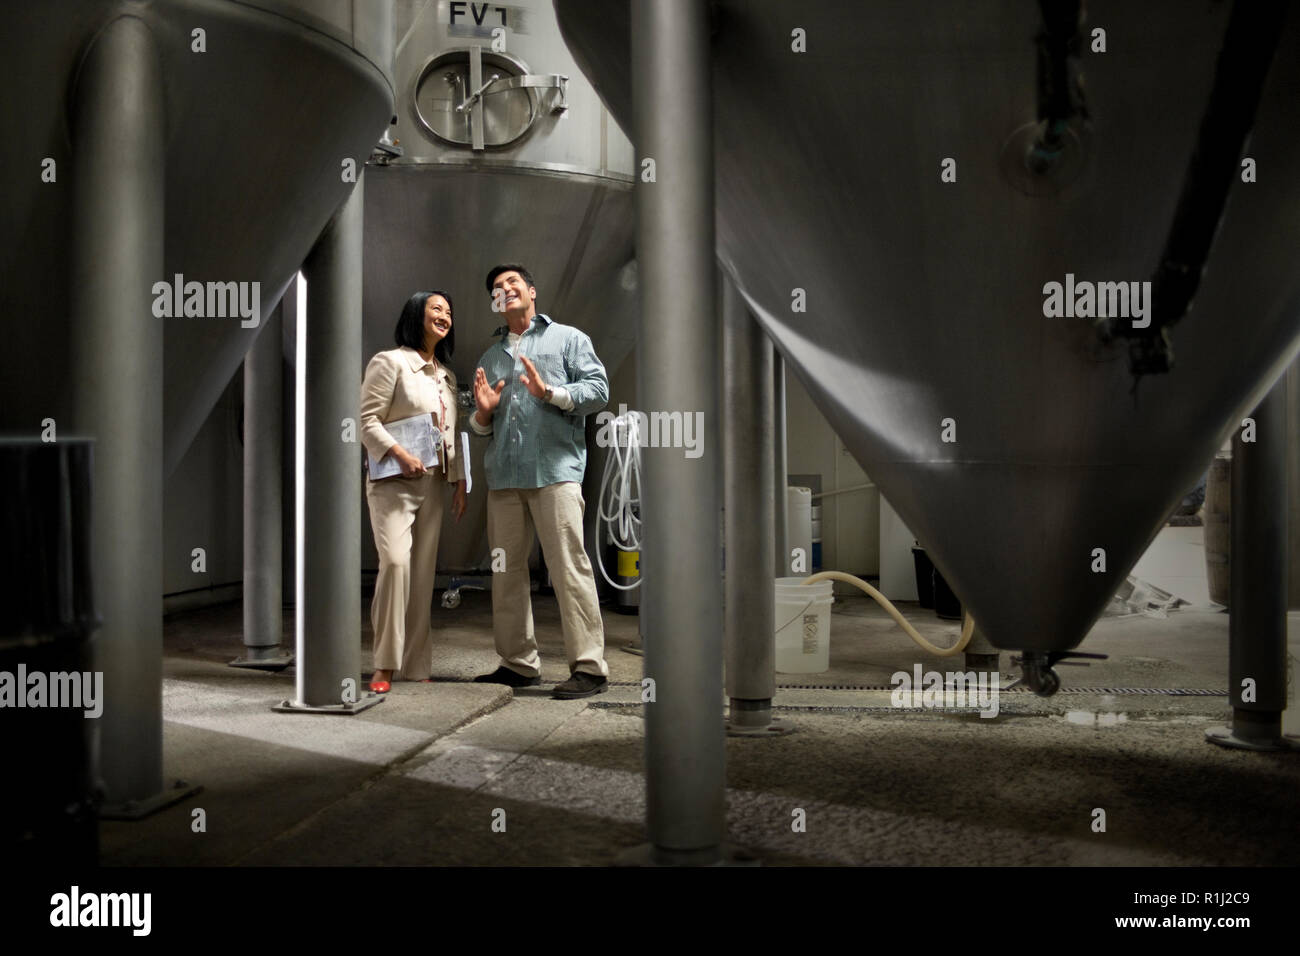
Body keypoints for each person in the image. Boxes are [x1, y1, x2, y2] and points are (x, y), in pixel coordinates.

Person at [469, 264, 611, 699]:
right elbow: (480, 428)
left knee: (569, 568)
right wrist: (483, 413)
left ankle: (590, 667)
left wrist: (549, 392)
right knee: (505, 571)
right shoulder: (490, 357)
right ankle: (518, 664)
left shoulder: (568, 339)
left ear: (532, 290)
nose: (505, 290)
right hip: (505, 479)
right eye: (496, 288)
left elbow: (599, 391)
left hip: (555, 474)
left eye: (512, 283)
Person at [359, 291, 468, 693]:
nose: (445, 316)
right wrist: (400, 454)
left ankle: (415, 662)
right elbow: (365, 420)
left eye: (449, 312)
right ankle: (384, 664)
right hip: (393, 484)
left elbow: (448, 435)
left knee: (423, 576)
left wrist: (458, 481)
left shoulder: (446, 376)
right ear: (416, 315)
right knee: (395, 565)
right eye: (436, 309)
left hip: (434, 485)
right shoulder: (390, 362)